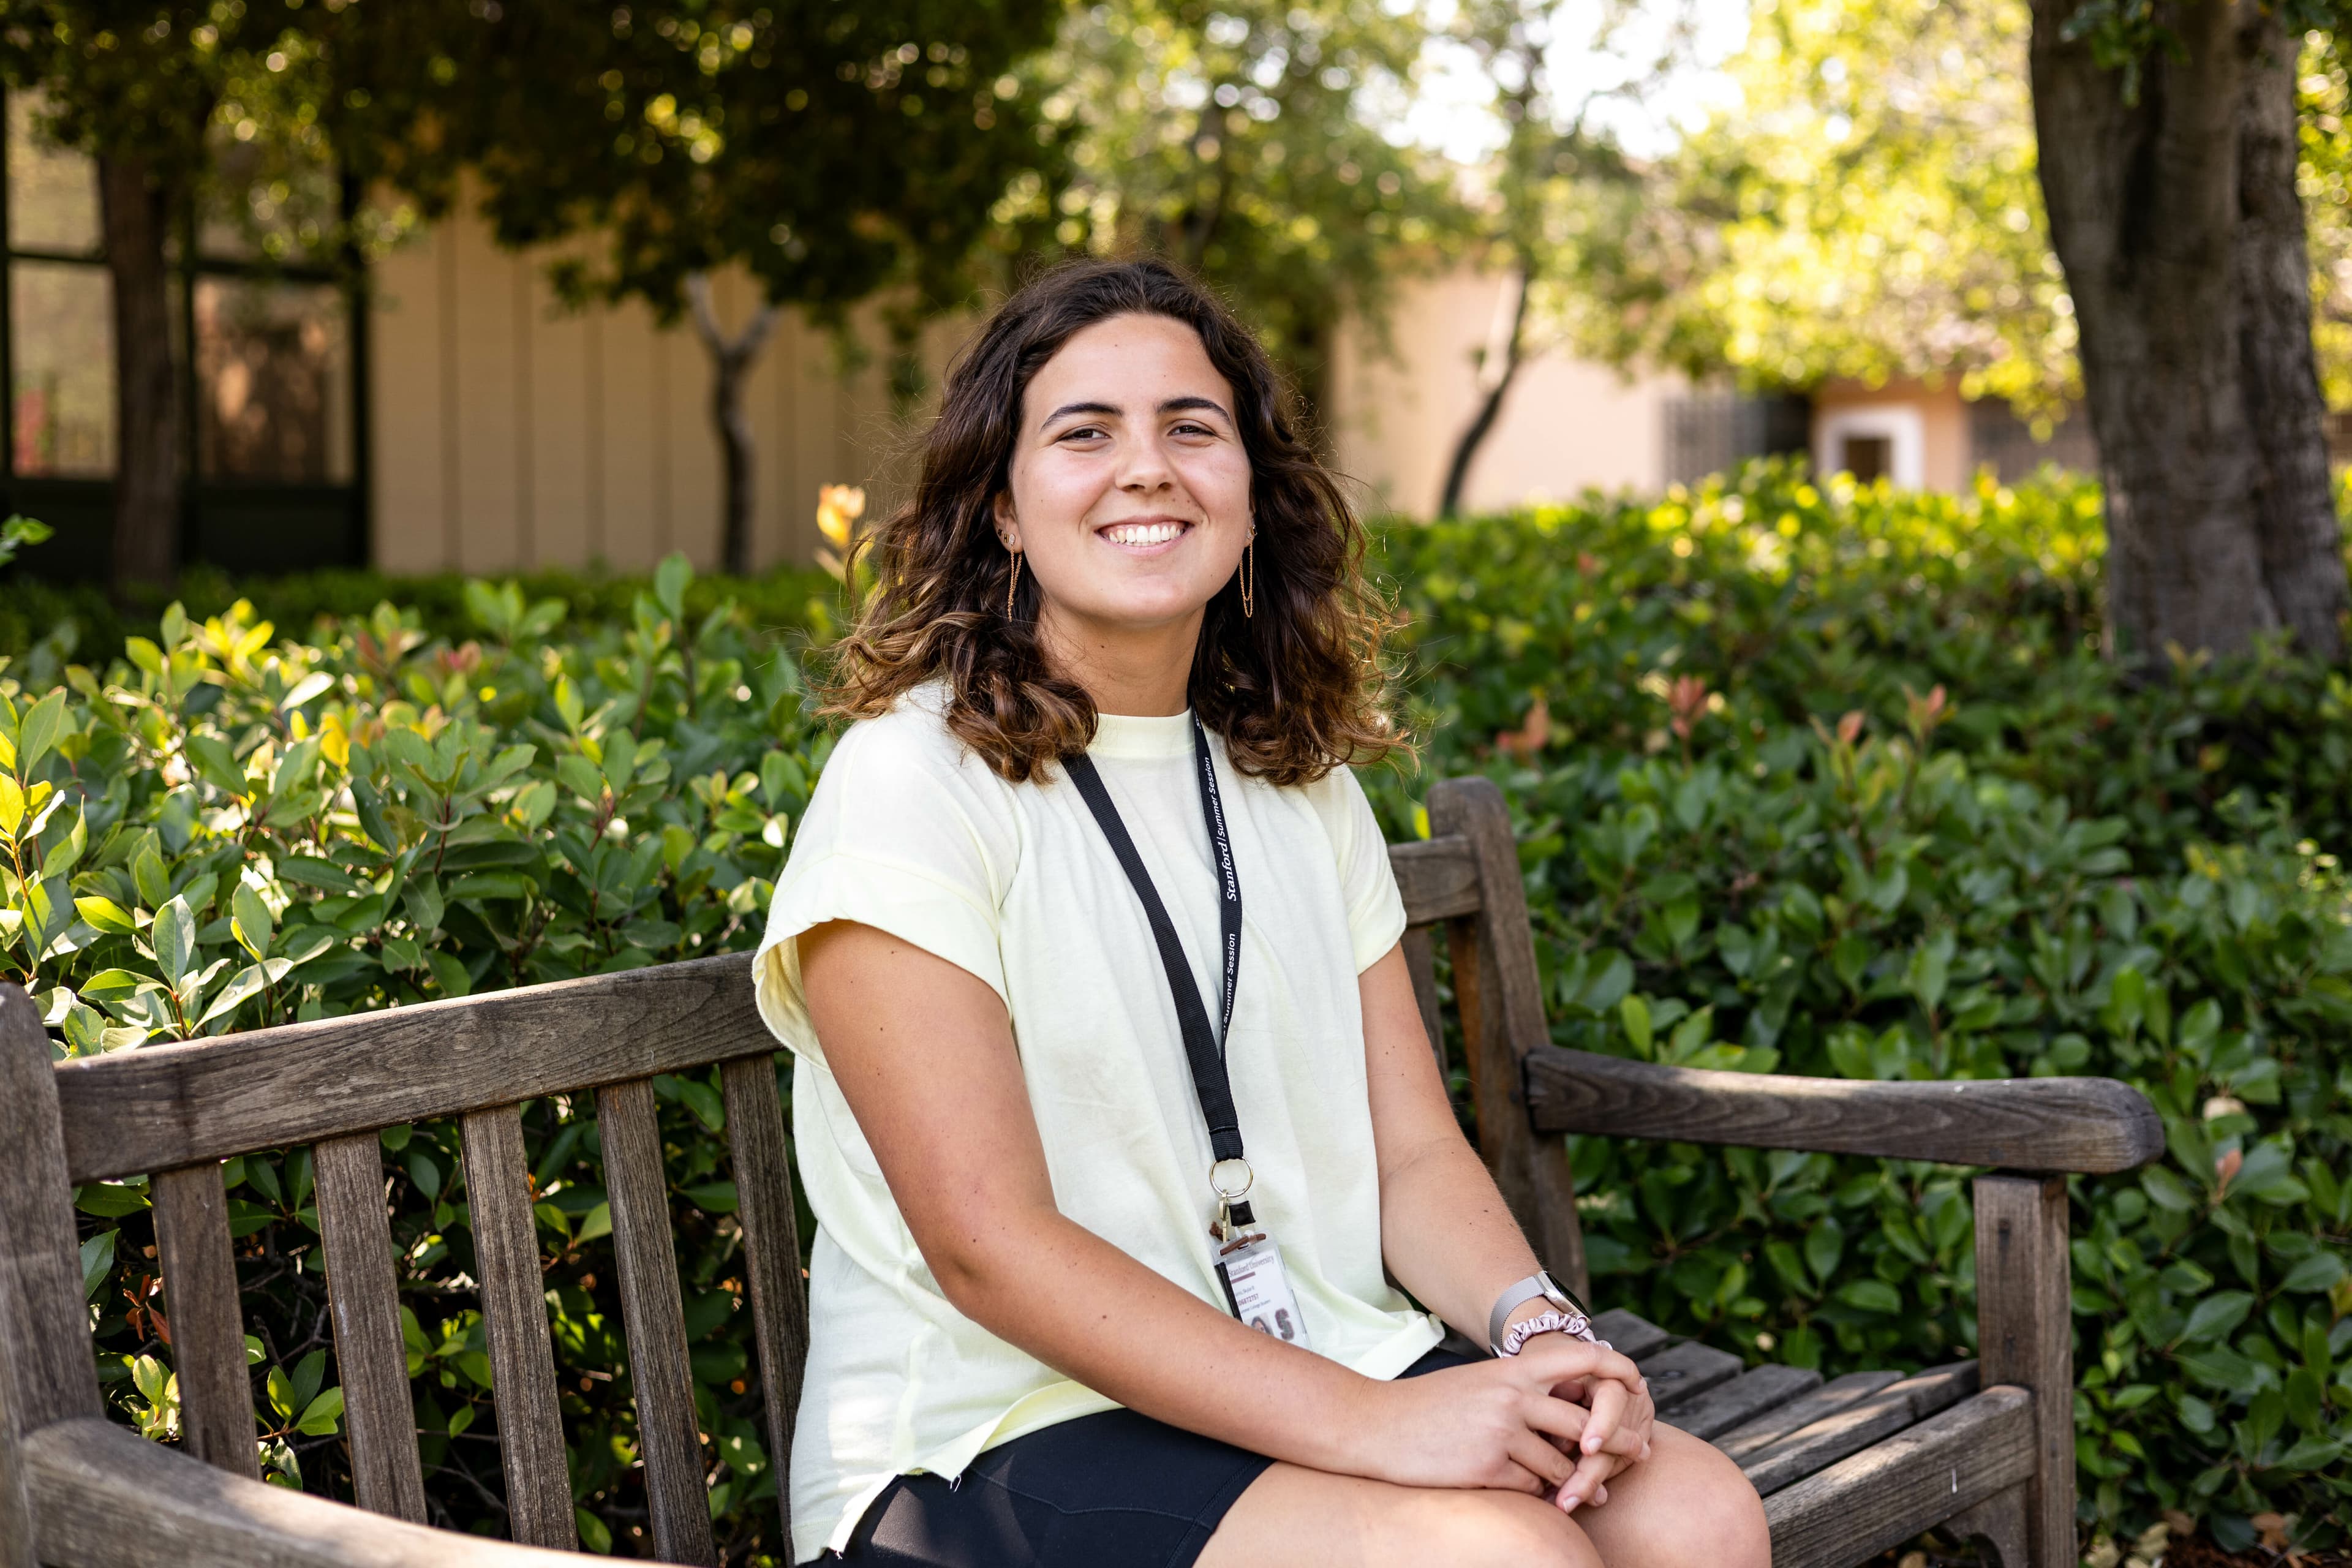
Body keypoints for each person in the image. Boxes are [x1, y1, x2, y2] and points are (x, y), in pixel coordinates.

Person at [752, 256, 1771, 1568]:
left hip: (1293, 1366)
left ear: (1248, 496)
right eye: (1084, 432)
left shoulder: (1295, 779)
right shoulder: (910, 782)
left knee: (1697, 1513)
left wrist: (1539, 1329)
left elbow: (1411, 1156)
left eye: (1193, 426)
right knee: (1504, 1560)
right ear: (1001, 507)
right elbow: (989, 1247)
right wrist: (1381, 1425)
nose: (1148, 466)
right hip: (994, 1433)